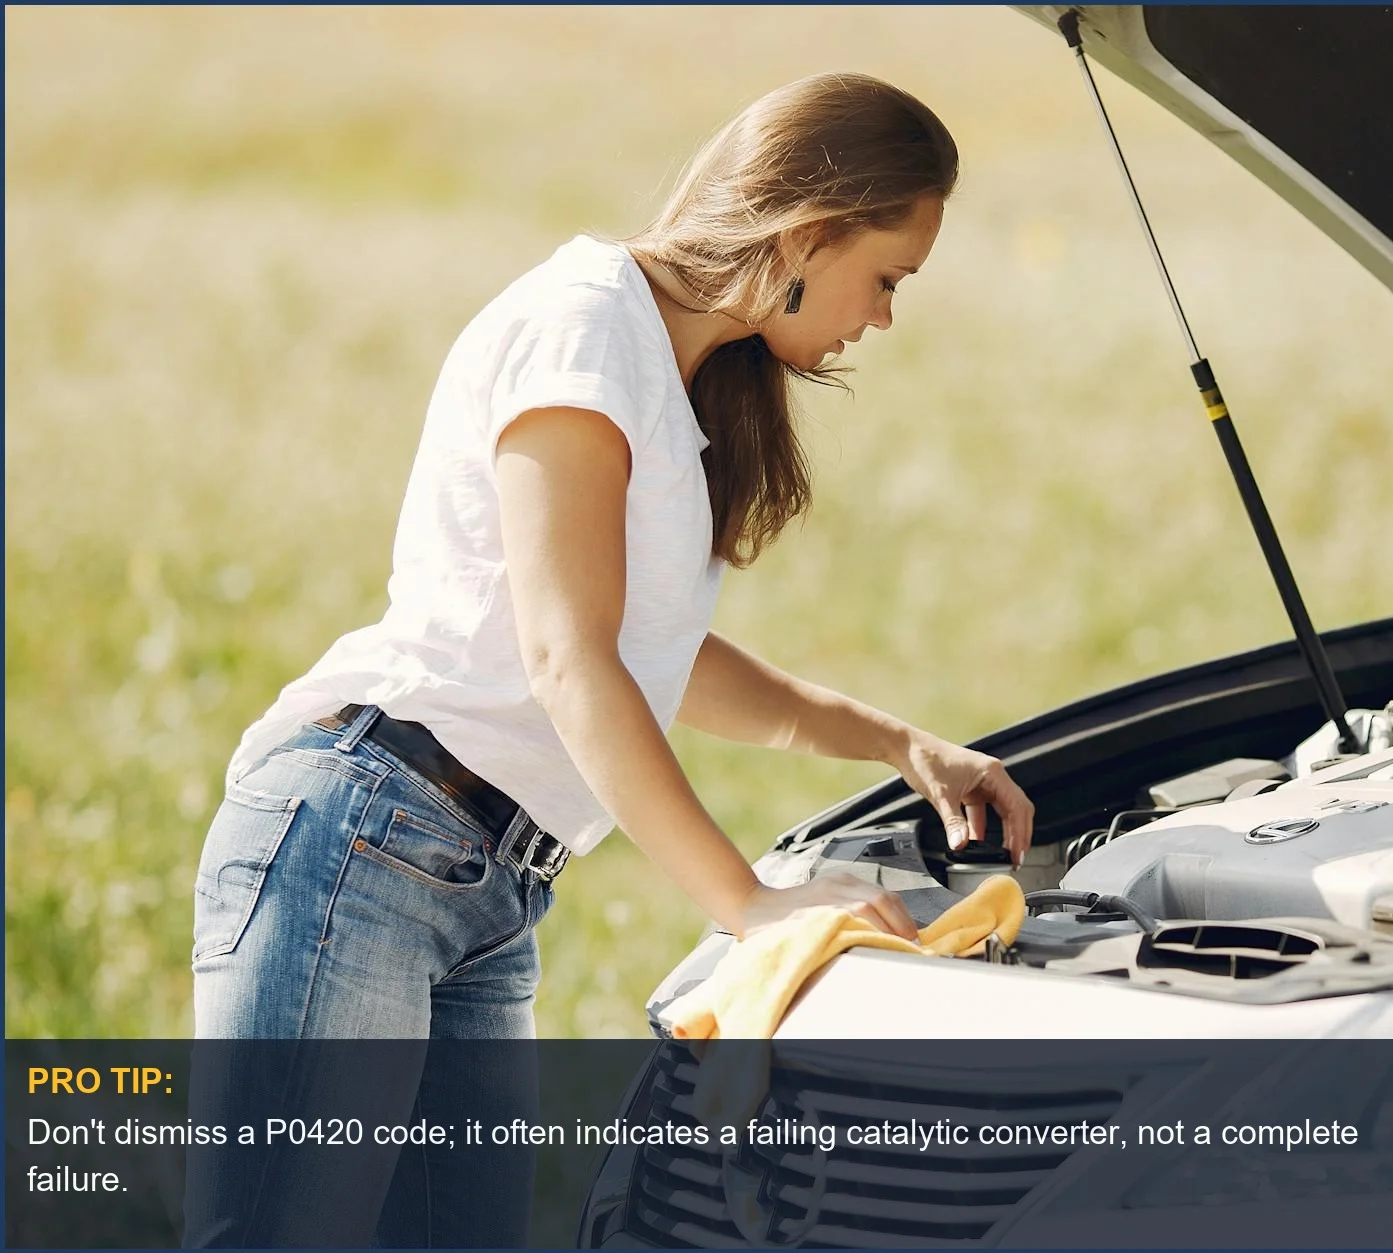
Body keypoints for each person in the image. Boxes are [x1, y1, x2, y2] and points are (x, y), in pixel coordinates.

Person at [182, 73, 1034, 1245]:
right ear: (808, 231)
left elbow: (655, 655)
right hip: (362, 844)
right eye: (886, 278)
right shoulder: (581, 327)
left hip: (484, 891)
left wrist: (900, 742)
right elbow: (567, 658)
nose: (882, 317)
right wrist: (748, 903)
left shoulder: (676, 377)